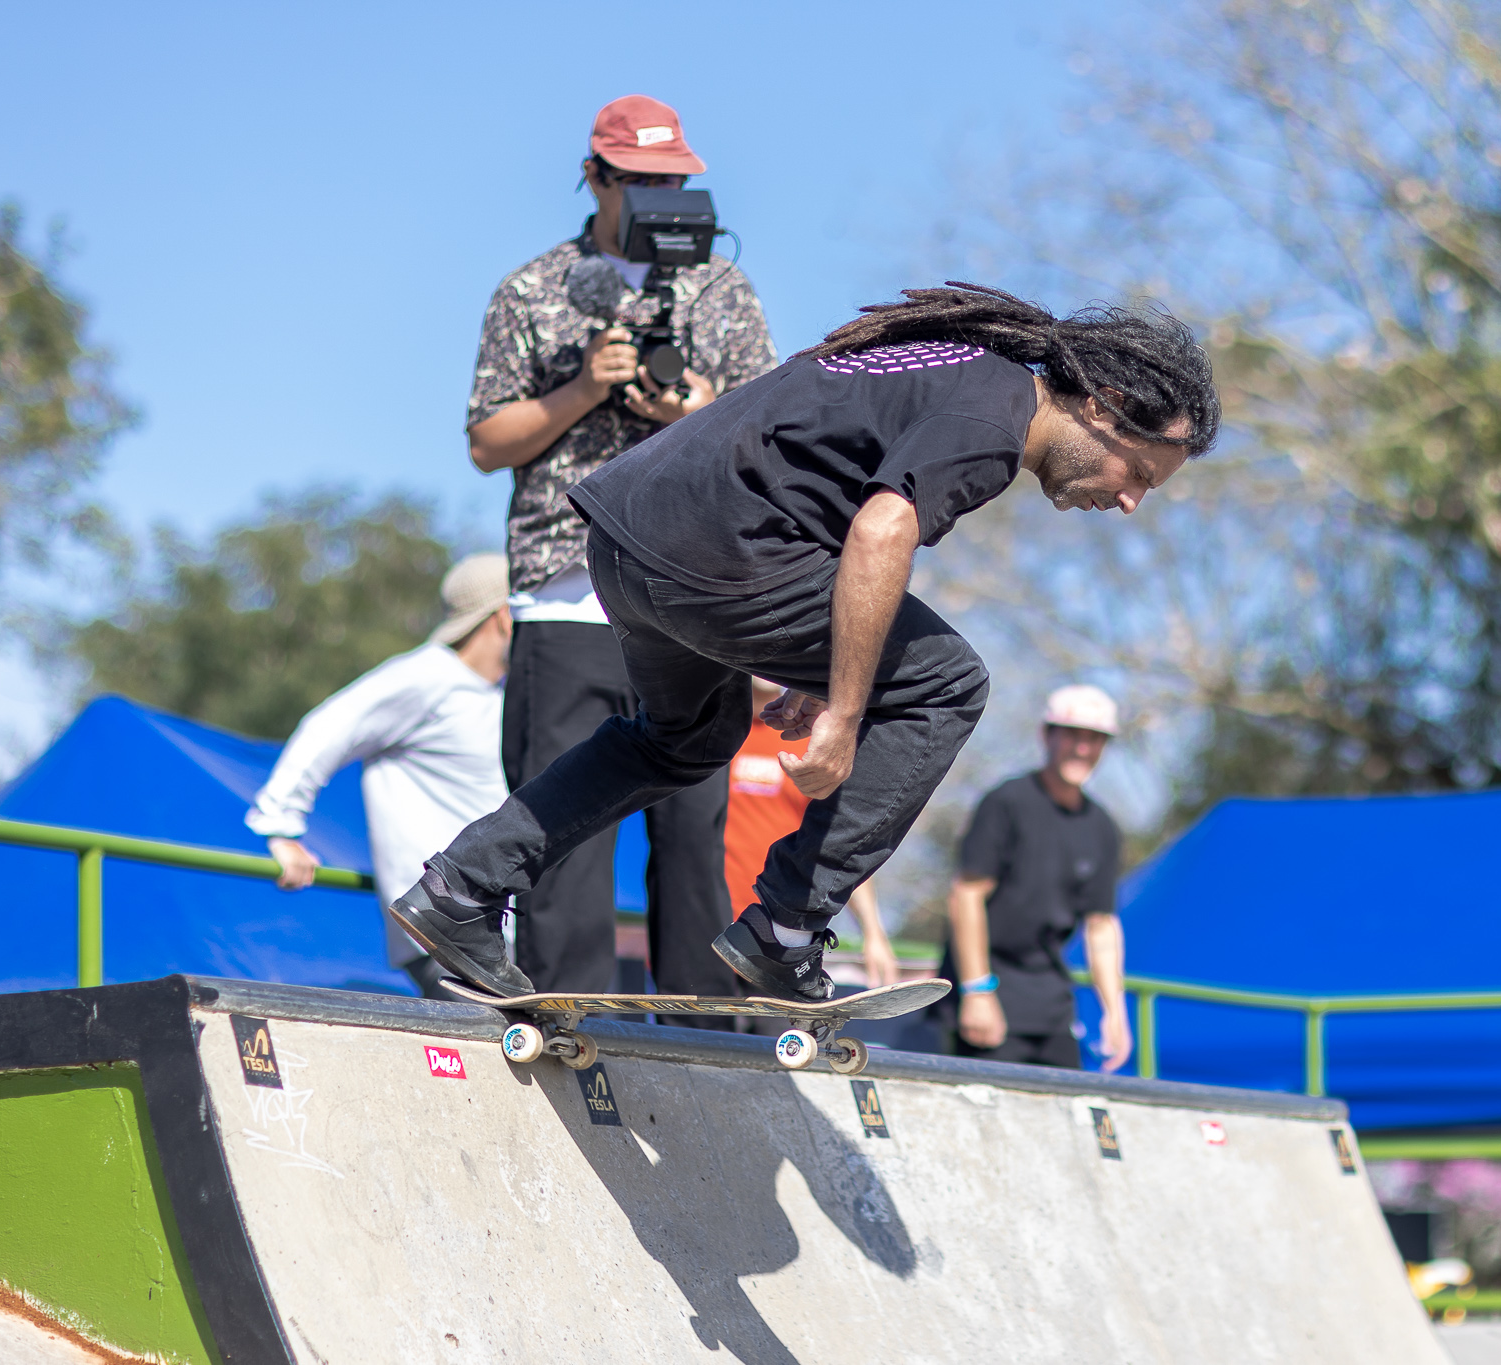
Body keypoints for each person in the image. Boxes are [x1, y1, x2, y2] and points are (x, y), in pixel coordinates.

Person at [389, 281, 1219, 1006]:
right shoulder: (994, 418)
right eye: (1139, 474)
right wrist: (847, 709)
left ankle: (463, 886)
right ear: (1102, 405)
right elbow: (883, 530)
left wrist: (820, 662)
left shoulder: (954, 367)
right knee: (949, 684)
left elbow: (819, 483)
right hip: (725, 551)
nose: (1129, 501)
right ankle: (785, 928)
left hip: (627, 539)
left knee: (684, 736)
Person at [464, 93, 777, 998]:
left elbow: (772, 431)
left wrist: (696, 405)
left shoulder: (723, 287)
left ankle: (702, 1037)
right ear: (594, 177)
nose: (658, 194)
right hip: (566, 591)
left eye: (673, 179)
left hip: (690, 590)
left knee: (693, 832)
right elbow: (487, 440)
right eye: (639, 179)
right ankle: (565, 1018)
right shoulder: (532, 288)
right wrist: (583, 389)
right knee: (564, 829)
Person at [247, 554, 512, 998]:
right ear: (503, 616)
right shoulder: (426, 676)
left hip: (504, 934)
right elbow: (331, 725)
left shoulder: (503, 694)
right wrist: (280, 825)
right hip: (445, 931)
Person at [941, 685, 1131, 1072]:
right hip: (988, 998)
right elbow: (966, 896)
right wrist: (977, 991)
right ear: (1047, 735)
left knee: (1070, 1117)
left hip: (1050, 1008)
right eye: (1072, 735)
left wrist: (1115, 1012)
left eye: (1094, 739)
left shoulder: (1102, 827)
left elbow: (1100, 925)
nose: (1082, 749)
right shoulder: (1007, 803)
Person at [727, 677, 900, 989]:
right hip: (710, 926)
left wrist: (873, 933)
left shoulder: (810, 741)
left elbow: (841, 841)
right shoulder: (711, 737)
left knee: (777, 1037)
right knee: (701, 1033)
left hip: (778, 930)